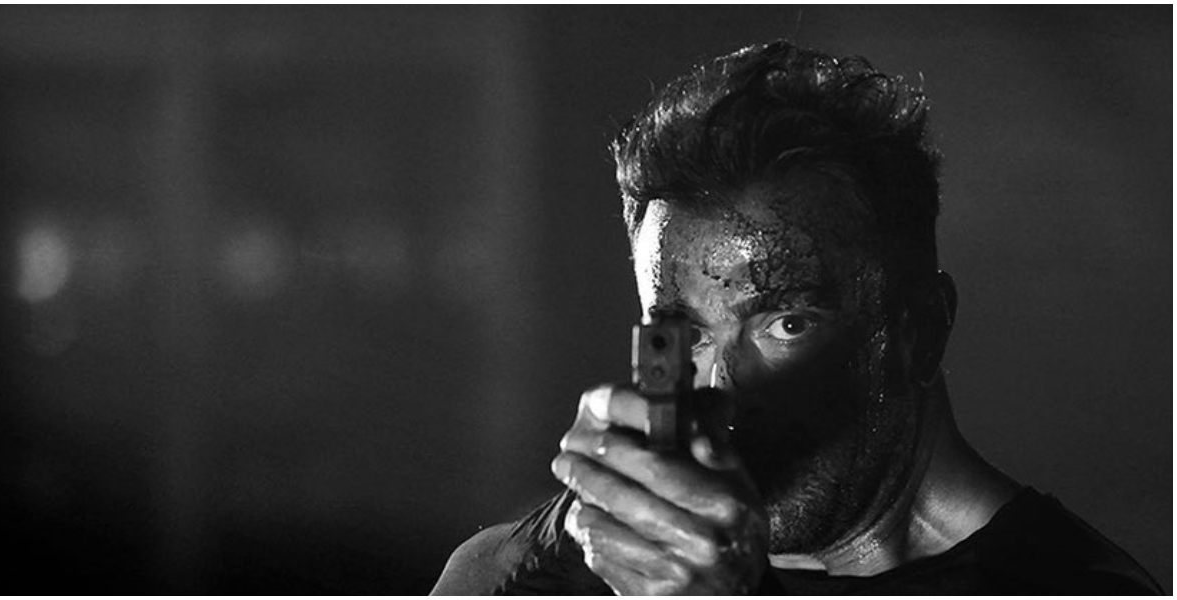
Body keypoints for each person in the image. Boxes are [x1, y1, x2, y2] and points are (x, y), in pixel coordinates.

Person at [429, 40, 1163, 595]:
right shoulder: (531, 574)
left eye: (786, 323)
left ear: (920, 332)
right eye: (683, 333)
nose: (719, 392)